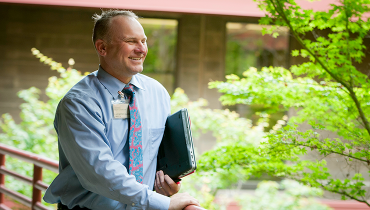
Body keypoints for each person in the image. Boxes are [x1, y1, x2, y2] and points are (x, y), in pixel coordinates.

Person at [43, 10, 199, 210]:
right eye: (131, 41)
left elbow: (160, 155)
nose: (142, 49)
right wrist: (163, 203)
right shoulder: (78, 104)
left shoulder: (157, 93)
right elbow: (100, 172)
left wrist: (170, 181)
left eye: (144, 41)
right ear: (102, 48)